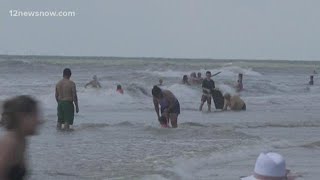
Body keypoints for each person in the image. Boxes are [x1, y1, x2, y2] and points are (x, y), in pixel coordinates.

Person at [0, 95, 41, 180]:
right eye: (35, 115)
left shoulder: (21, 140)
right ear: (22, 117)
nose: (39, 121)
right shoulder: (10, 143)